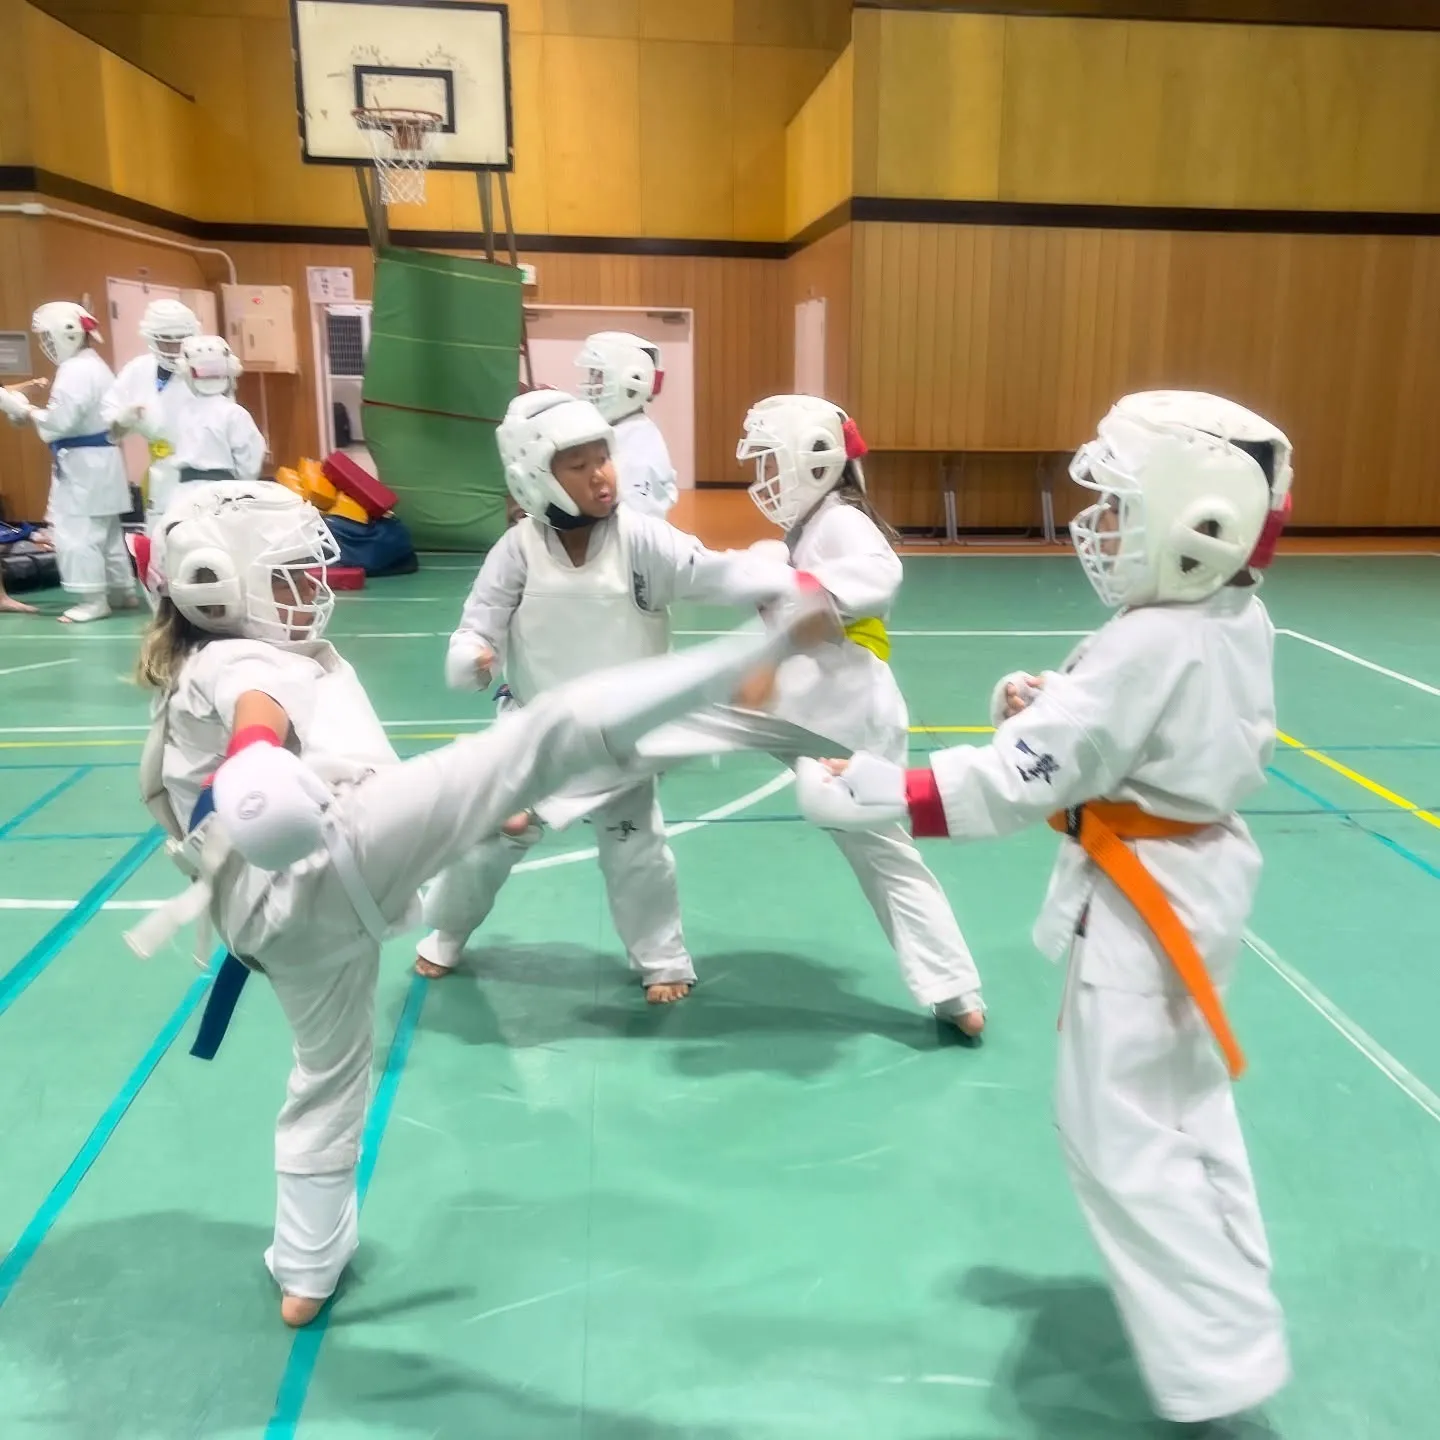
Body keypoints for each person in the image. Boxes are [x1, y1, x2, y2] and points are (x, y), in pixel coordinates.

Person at [126, 479, 836, 1327]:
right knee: (547, 735)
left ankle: (305, 1269)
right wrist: (251, 760)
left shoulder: (218, 663)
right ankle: (753, 656)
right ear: (214, 586)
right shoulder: (243, 660)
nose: (312, 589)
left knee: (326, 1080)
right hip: (325, 863)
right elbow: (258, 714)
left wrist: (434, 817)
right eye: (286, 578)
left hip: (284, 919)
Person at [794, 390, 1294, 1425]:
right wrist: (1047, 698)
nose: (1098, 527)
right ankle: (1235, 1285)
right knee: (1184, 1100)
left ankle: (1219, 1358)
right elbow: (1114, 730)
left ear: (1197, 524)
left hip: (1146, 910)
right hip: (1194, 883)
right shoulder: (1228, 617)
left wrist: (880, 789)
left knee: (1119, 1130)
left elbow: (1016, 784)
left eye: (1120, 506)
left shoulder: (1152, 642)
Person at [414, 389, 808, 1002]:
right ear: (533, 478)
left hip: (622, 738)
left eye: (604, 457)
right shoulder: (515, 551)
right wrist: (472, 657)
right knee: (494, 834)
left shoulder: (643, 541)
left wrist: (783, 574)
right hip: (534, 732)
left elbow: (716, 573)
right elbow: (479, 621)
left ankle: (663, 959)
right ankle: (444, 930)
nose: (602, 475)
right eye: (579, 465)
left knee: (636, 847)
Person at [706, 393, 987, 1034]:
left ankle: (556, 781)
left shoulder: (842, 523)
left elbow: (879, 576)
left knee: (666, 725)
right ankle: (957, 994)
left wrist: (784, 595)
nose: (765, 481)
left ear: (814, 461)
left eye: (772, 464)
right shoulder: (811, 525)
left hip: (837, 713)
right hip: (818, 706)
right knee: (884, 854)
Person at [0, 303, 135, 623]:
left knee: (78, 533)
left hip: (83, 465)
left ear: (67, 333)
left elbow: (60, 422)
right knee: (108, 531)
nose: (45, 343)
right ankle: (121, 591)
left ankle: (92, 600)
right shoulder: (95, 365)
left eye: (47, 336)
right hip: (102, 461)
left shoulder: (75, 370)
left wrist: (26, 410)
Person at [102, 298, 200, 515]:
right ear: (151, 339)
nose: (174, 348)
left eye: (181, 340)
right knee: (158, 534)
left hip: (199, 474)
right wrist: (121, 421)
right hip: (159, 472)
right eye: (166, 340)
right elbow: (109, 415)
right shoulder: (138, 369)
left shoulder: (207, 370)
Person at [576, 331, 677, 518]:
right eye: (592, 375)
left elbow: (635, 530)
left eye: (599, 376)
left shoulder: (638, 449)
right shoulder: (623, 430)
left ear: (632, 382)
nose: (592, 384)